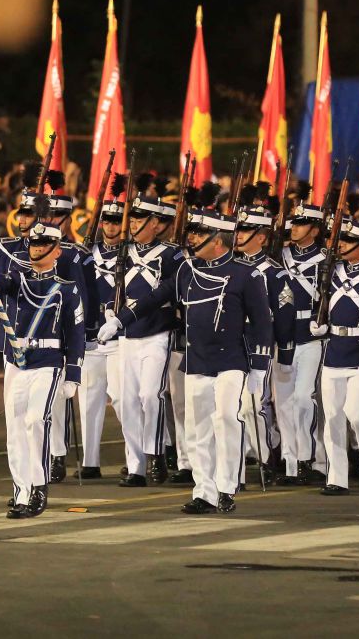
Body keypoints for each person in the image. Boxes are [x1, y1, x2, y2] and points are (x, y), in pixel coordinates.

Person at [98, 194, 274, 514]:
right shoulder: (186, 272)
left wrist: (260, 368)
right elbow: (153, 298)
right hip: (198, 361)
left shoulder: (246, 275)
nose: (191, 238)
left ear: (218, 241)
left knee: (225, 419)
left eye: (198, 234)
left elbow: (262, 323)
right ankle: (204, 491)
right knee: (197, 428)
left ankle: (226, 485)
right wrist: (118, 322)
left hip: (232, 360)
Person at [0, 221, 85, 519]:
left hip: (48, 360)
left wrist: (73, 373)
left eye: (44, 244)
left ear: (56, 250)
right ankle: (20, 491)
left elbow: (76, 335)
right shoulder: (16, 280)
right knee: (15, 427)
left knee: (36, 420)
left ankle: (39, 487)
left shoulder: (67, 290)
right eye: (33, 244)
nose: (36, 248)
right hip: (17, 360)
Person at [309, 217, 359, 495]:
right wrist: (318, 325)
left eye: (349, 242)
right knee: (331, 417)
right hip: (334, 352)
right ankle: (336, 477)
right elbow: (319, 302)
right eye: (341, 240)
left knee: (357, 415)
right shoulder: (330, 272)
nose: (342, 245)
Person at [108, 174, 180, 487]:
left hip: (157, 332)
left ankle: (156, 455)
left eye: (141, 219)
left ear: (156, 223)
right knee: (125, 400)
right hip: (127, 335)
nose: (134, 224)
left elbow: (168, 292)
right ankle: (135, 465)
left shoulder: (171, 254)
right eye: (132, 218)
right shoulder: (123, 252)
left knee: (150, 395)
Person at [233, 192, 295, 486]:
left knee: (253, 403)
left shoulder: (275, 273)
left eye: (246, 230)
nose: (239, 235)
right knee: (231, 406)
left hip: (259, 342)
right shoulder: (230, 267)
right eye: (239, 229)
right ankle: (239, 459)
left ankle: (265, 455)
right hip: (231, 343)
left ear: (262, 237)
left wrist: (284, 353)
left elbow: (283, 318)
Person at [275, 185, 328, 485]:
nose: (295, 229)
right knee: (283, 401)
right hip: (282, 335)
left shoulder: (325, 258)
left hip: (310, 336)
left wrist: (327, 322)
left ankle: (307, 458)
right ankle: (290, 461)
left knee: (304, 398)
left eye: (302, 224)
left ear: (315, 230)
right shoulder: (279, 254)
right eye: (293, 223)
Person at [77, 187, 126, 479]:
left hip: (121, 338)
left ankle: (141, 459)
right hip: (92, 336)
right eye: (106, 220)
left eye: (116, 221)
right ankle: (90, 462)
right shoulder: (86, 255)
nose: (110, 226)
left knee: (123, 399)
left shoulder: (131, 254)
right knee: (89, 400)